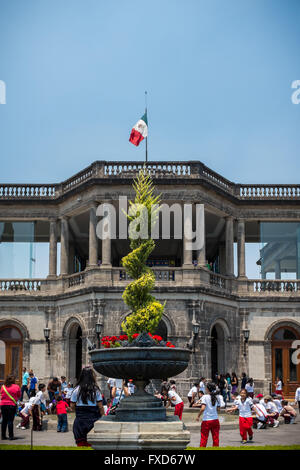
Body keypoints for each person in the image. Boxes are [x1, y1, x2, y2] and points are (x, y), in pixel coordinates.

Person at [70, 367, 104, 447]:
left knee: (81, 444)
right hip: (93, 420)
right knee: (91, 444)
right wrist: (103, 416)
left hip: (80, 421)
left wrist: (78, 411)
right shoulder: (96, 390)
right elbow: (100, 406)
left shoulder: (76, 390)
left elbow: (72, 406)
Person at [196, 382, 225, 447]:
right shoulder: (217, 397)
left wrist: (198, 416)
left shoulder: (205, 397)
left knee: (204, 438)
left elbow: (203, 408)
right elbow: (218, 409)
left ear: (207, 389)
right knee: (215, 438)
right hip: (215, 420)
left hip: (206, 420)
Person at [0, 374, 21, 440]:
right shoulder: (16, 386)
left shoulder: (3, 387)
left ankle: (3, 436)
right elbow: (19, 395)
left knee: (4, 420)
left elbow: (1, 394)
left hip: (3, 405)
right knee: (10, 421)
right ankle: (11, 436)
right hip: (11, 405)